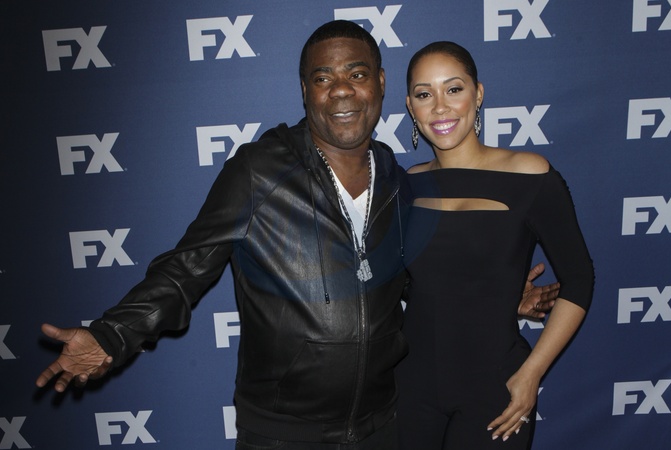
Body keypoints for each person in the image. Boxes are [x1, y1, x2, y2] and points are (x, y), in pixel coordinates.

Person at [35, 22, 556, 450]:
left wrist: (492, 298)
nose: (342, 90)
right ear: (305, 90)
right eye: (323, 78)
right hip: (283, 434)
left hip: (382, 425)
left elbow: (407, 280)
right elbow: (185, 270)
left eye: (356, 74)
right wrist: (112, 335)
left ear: (379, 83)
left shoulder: (397, 180)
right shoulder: (259, 172)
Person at [396, 41, 594, 449]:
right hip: (409, 389)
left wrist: (532, 373)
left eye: (453, 89)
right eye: (424, 94)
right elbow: (407, 285)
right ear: (411, 107)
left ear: (478, 94)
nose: (440, 107)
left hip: (495, 389)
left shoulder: (529, 175)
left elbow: (579, 280)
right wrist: (497, 296)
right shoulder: (407, 185)